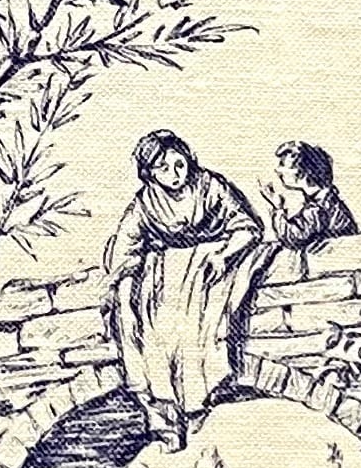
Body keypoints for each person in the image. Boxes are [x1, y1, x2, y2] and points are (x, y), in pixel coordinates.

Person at [108, 130, 270, 447]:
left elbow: (247, 227)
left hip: (210, 269)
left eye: (179, 164)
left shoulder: (210, 186)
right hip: (166, 281)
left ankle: (197, 408)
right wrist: (128, 294)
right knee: (149, 325)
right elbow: (124, 251)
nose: (174, 173)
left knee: (199, 327)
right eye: (163, 168)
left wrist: (224, 254)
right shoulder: (145, 203)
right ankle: (166, 418)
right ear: (150, 173)